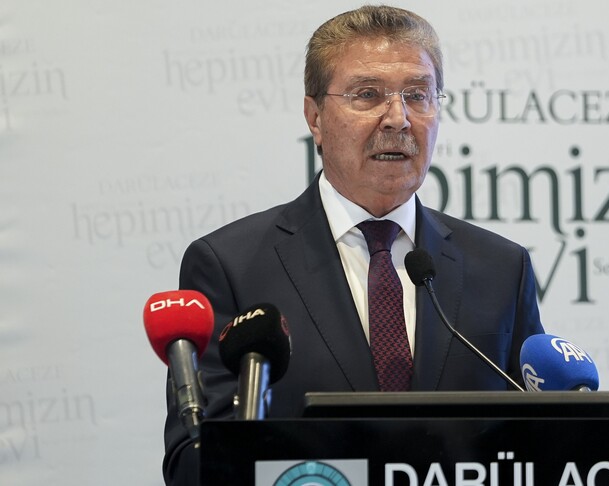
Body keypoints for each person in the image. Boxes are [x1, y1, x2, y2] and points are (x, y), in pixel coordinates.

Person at [162, 5, 544, 484]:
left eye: (418, 95)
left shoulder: (502, 268)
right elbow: (194, 461)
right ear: (315, 117)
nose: (398, 119)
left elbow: (542, 445)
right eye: (368, 95)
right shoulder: (231, 266)